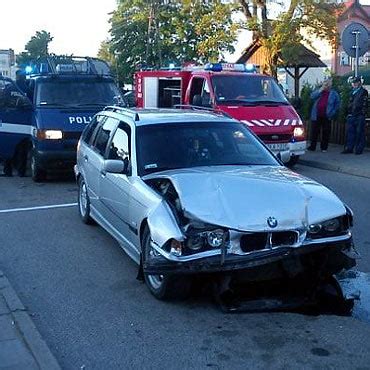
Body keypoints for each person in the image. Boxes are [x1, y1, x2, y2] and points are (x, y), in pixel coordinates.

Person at [307, 79, 340, 152]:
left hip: (327, 115)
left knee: (326, 131)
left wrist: (333, 112)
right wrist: (320, 90)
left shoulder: (334, 93)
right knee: (314, 131)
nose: (326, 86)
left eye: (328, 84)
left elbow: (337, 104)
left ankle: (324, 147)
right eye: (325, 84)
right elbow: (312, 96)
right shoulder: (319, 91)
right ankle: (312, 146)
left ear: (330, 85)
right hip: (316, 114)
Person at [342, 76, 368, 155]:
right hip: (351, 115)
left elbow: (364, 104)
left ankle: (359, 149)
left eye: (355, 82)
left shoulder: (363, 91)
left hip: (359, 115)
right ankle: (349, 148)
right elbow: (349, 104)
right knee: (351, 132)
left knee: (360, 132)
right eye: (353, 83)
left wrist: (363, 113)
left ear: (359, 82)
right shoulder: (352, 92)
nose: (354, 84)